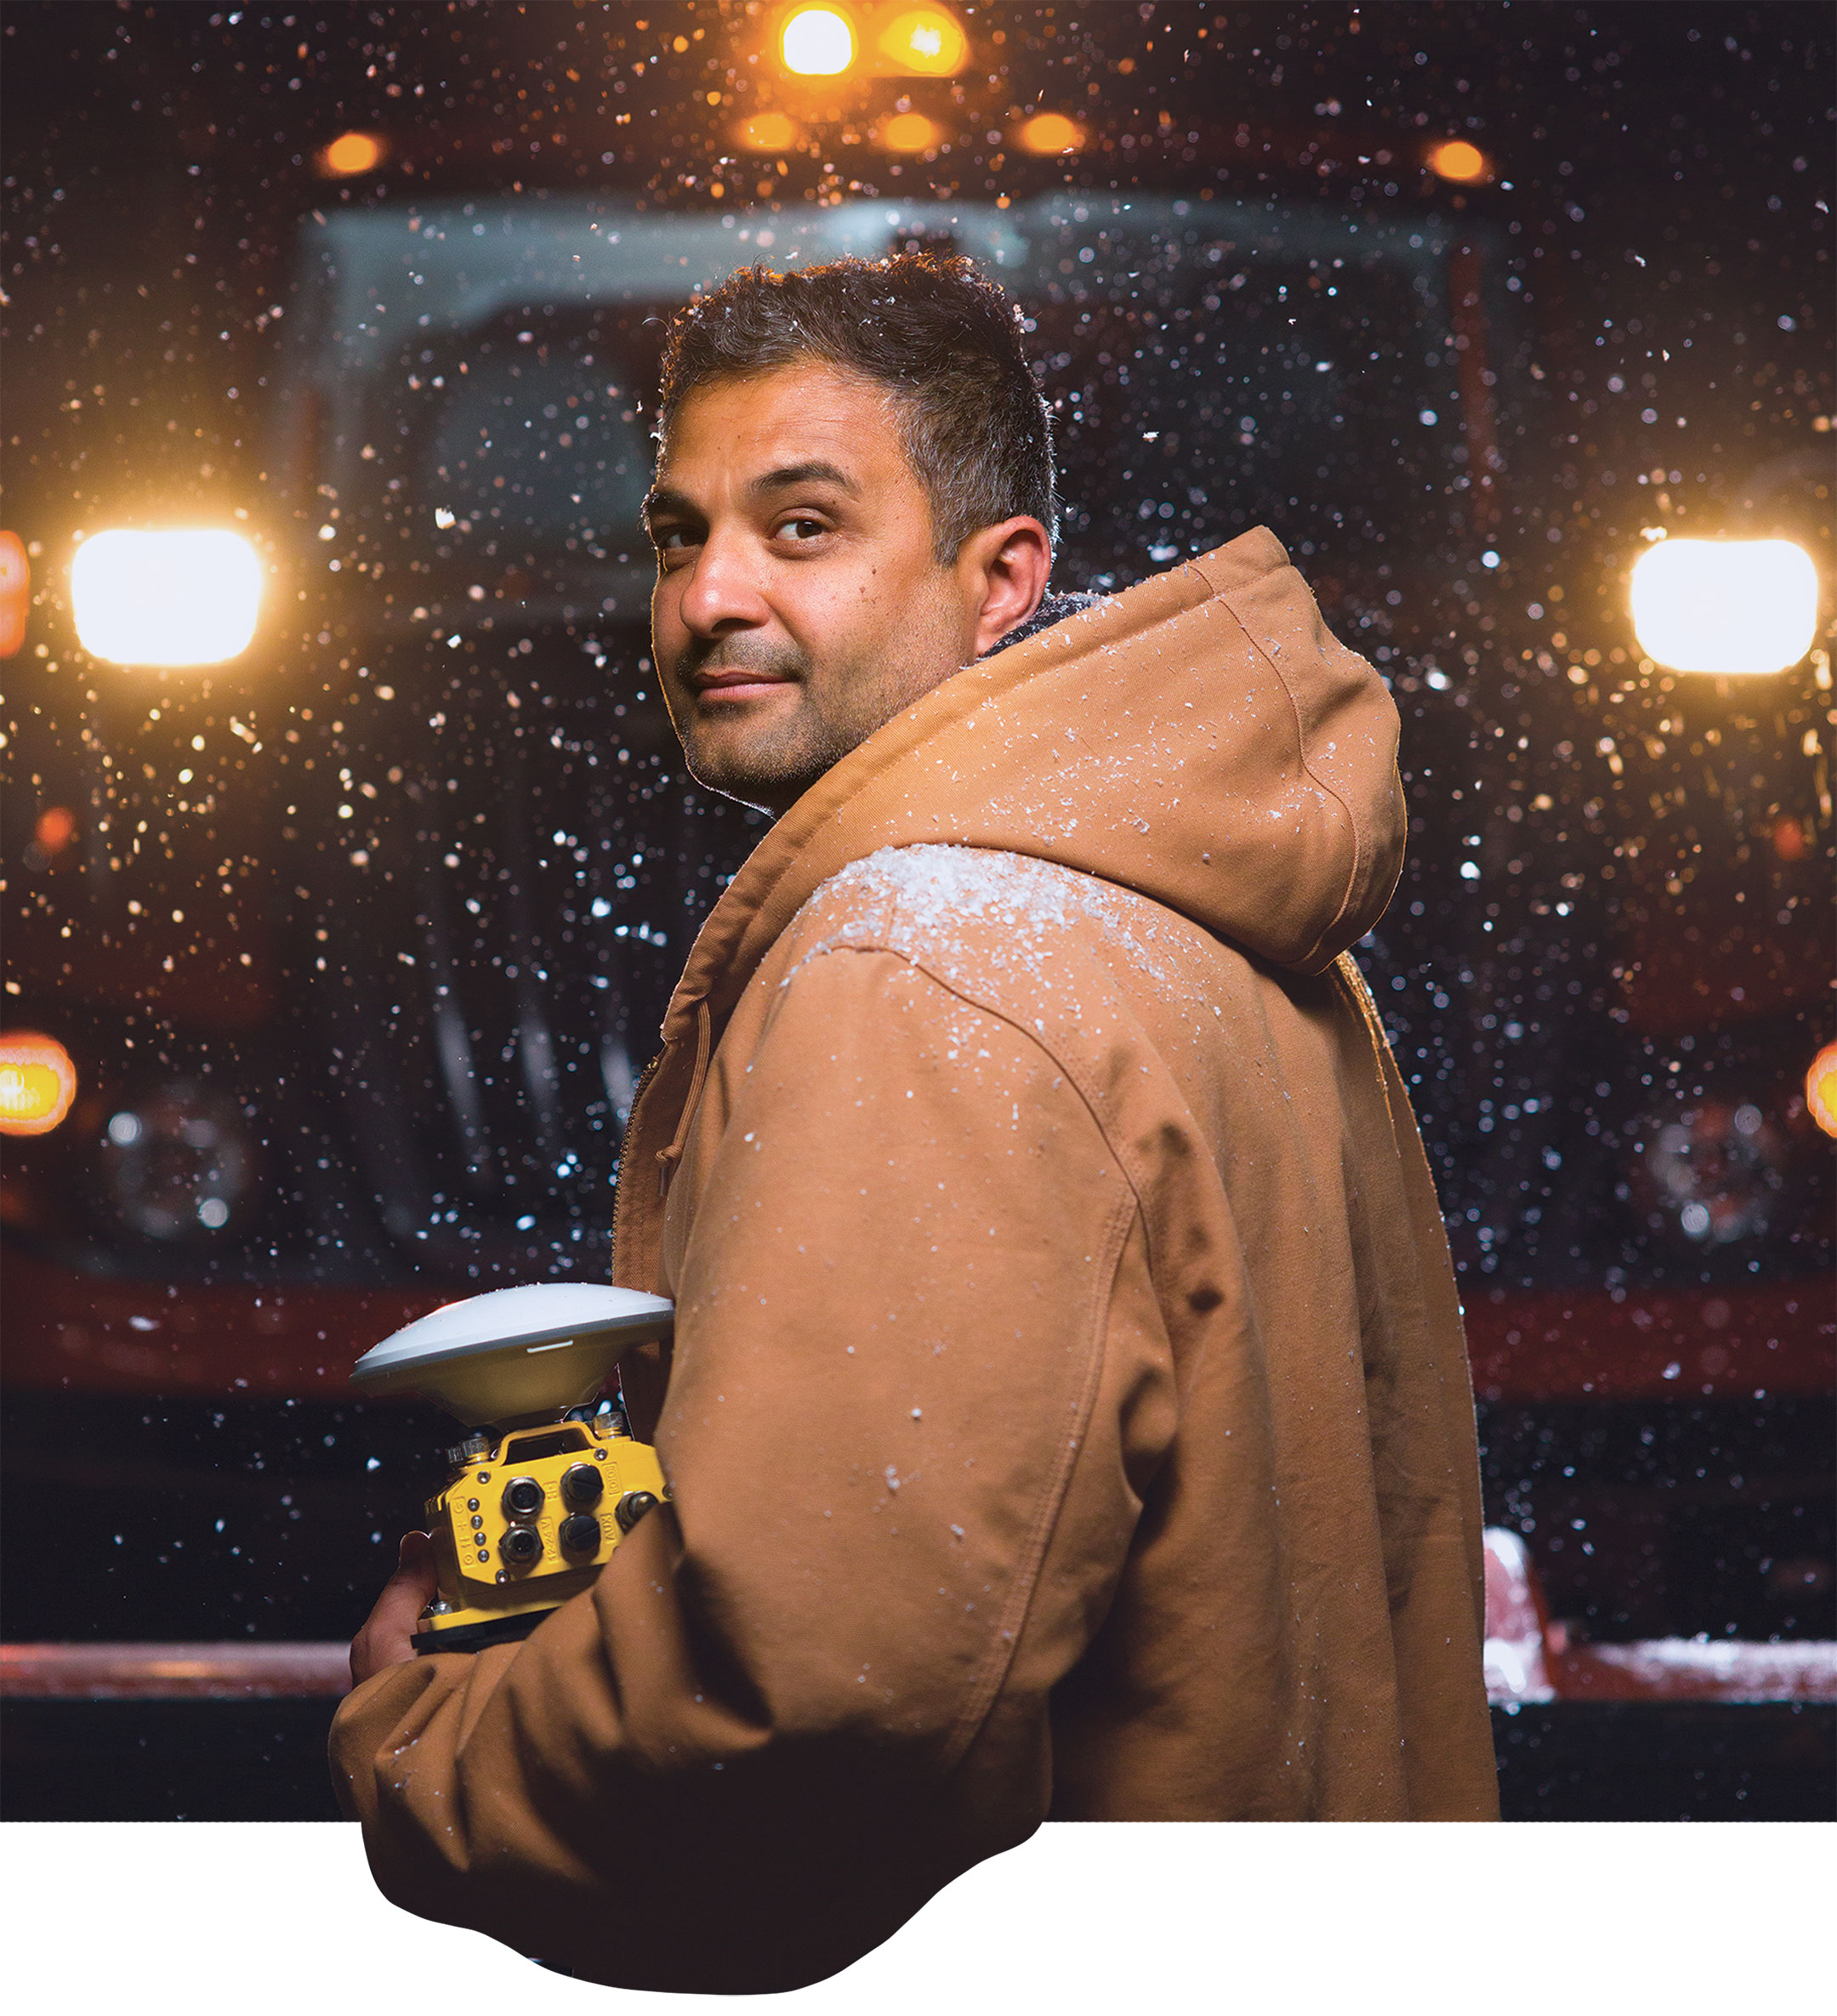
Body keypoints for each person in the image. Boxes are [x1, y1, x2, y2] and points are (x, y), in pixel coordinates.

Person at [331, 253, 1499, 1992]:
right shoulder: (1191, 916)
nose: (708, 592)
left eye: (802, 527)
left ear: (999, 577)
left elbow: (813, 1690)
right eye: (676, 533)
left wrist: (433, 1736)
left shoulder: (921, 967)